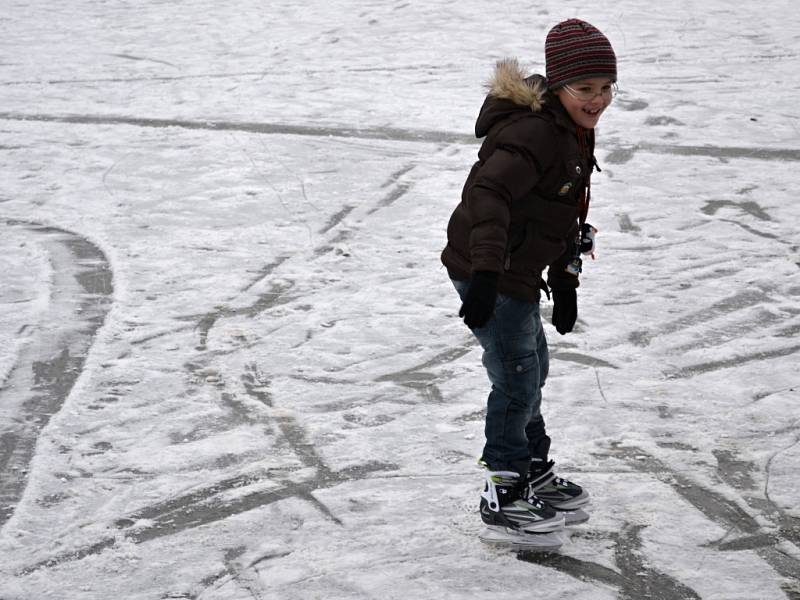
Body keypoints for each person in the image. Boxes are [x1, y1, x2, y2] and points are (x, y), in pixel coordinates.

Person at [440, 18, 617, 548]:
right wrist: (488, 276)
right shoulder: (534, 132)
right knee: (516, 377)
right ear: (559, 86)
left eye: (606, 87)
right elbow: (487, 197)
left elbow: (562, 211)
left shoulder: (571, 129)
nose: (599, 99)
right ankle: (504, 489)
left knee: (530, 369)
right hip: (486, 268)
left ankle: (532, 467)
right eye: (585, 89)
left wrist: (566, 283)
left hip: (514, 269)